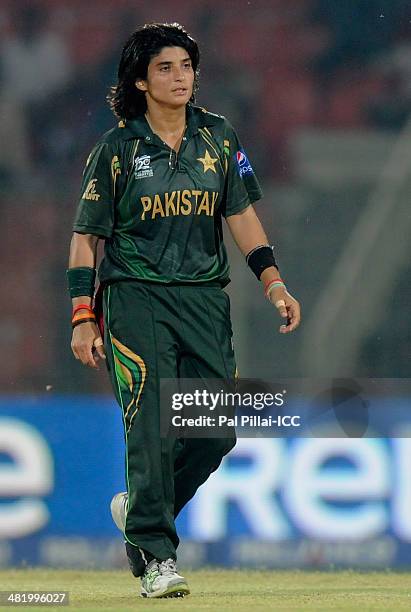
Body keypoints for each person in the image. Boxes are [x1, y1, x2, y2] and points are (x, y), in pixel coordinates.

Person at [67, 22, 301, 599]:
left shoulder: (219, 138)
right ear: (141, 81)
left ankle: (143, 509)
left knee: (216, 430)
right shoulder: (116, 150)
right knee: (150, 429)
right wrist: (82, 316)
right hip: (135, 297)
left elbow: (241, 217)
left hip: (203, 300)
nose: (179, 77)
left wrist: (274, 283)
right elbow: (85, 240)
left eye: (186, 67)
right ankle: (155, 558)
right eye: (165, 68)